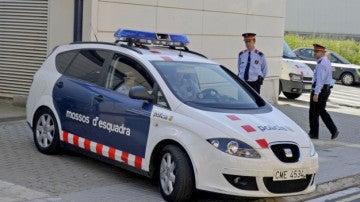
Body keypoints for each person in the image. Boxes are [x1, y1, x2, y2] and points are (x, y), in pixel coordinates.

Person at [308, 44, 339, 140]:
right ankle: (333, 130)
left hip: (320, 90)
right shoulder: (325, 61)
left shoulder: (322, 64)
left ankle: (314, 133)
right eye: (315, 51)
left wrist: (316, 93)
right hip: (325, 89)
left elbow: (320, 80)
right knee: (320, 111)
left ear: (321, 53)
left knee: (314, 112)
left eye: (317, 52)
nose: (315, 53)